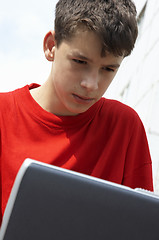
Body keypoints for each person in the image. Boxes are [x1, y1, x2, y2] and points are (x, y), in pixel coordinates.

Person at [0, 0, 153, 225]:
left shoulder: (125, 126)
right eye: (80, 61)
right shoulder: (4, 115)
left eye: (108, 69)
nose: (91, 84)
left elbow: (142, 225)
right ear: (51, 46)